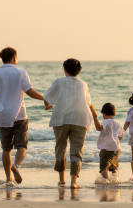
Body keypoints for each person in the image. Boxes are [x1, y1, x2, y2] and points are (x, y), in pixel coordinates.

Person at [0, 47, 44, 186]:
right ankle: (16, 165)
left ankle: (8, 179)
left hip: (2, 115)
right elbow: (29, 91)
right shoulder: (20, 71)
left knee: (6, 149)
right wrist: (44, 98)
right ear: (14, 58)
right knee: (22, 146)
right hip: (19, 114)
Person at [43, 58, 93, 189]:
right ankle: (73, 182)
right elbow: (88, 103)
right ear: (79, 70)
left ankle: (61, 180)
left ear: (64, 69)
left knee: (60, 148)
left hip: (61, 119)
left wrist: (47, 105)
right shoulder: (83, 84)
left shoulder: (59, 82)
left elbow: (47, 96)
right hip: (80, 119)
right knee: (77, 150)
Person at [90, 102, 124, 181]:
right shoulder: (118, 123)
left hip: (106, 149)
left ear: (104, 113)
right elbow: (121, 136)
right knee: (113, 167)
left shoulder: (105, 121)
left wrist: (95, 118)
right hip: (117, 149)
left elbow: (99, 128)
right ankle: (115, 181)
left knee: (103, 168)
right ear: (114, 113)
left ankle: (107, 181)